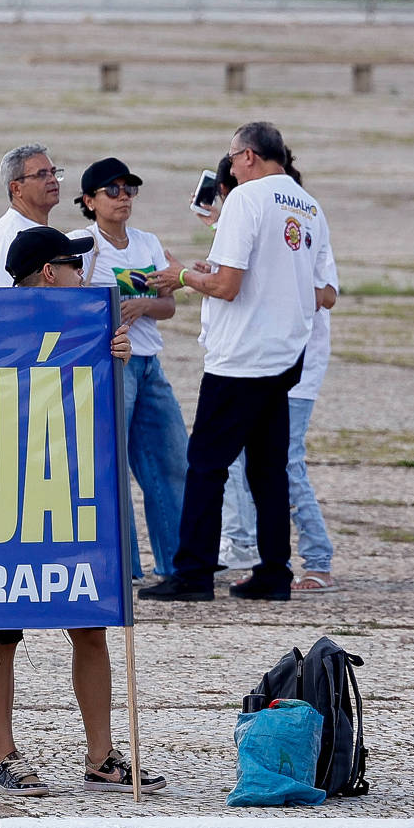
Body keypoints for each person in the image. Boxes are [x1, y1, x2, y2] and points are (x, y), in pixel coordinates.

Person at [0, 226, 161, 796]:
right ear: (50, 274)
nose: (84, 275)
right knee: (1, 635)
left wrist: (115, 363)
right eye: (74, 267)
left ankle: (101, 755)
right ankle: (5, 754)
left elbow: (100, 411)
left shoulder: (89, 328)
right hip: (6, 497)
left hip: (72, 495)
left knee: (90, 626)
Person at [163, 123, 324, 603]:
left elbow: (229, 285)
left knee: (206, 465)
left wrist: (184, 276)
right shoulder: (308, 205)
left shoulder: (246, 200)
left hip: (241, 357)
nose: (228, 167)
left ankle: (192, 573)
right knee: (267, 470)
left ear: (249, 157)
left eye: (231, 158)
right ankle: (274, 571)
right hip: (286, 352)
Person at [218, 155, 341, 595]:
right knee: (248, 463)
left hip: (295, 366)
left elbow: (328, 293)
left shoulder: (304, 222)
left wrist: (275, 284)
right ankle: (258, 556)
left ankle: (318, 558)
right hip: (258, 364)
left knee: (285, 461)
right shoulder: (260, 226)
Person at [73, 157, 188, 589]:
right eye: (113, 191)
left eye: (130, 189)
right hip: (111, 365)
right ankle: (121, 566)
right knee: (112, 468)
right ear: (89, 200)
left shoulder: (148, 242)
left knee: (170, 460)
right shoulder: (82, 245)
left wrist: (141, 305)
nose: (124, 198)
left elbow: (169, 305)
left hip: (149, 363)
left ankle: (177, 565)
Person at [0, 144, 62, 288]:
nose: (52, 180)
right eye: (42, 174)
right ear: (16, 188)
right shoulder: (10, 234)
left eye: (53, 172)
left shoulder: (34, 228)